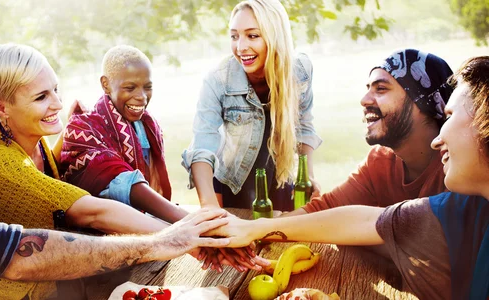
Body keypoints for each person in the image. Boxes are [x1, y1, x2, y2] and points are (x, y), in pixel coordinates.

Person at [0, 33, 234, 300]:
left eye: (55, 90)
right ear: (1, 107)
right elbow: (90, 212)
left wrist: (187, 229)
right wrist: (173, 236)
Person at [209, 56, 489, 300]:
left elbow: (374, 224)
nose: (439, 140)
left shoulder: (461, 197)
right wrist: (253, 230)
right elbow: (358, 218)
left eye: (381, 88)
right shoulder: (454, 207)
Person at [182, 0, 322, 211]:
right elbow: (202, 146)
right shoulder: (218, 80)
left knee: (284, 241)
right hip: (233, 185)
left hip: (281, 178)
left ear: (275, 37)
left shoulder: (300, 71)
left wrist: (308, 176)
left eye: (253, 35)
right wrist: (209, 208)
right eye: (234, 36)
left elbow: (304, 127)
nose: (241, 47)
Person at [285, 49, 453, 216]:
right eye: (368, 89)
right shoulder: (381, 162)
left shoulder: (457, 167)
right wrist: (265, 227)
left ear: (422, 101)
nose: (364, 100)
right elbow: (326, 209)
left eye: (380, 89)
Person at [59, 45, 188, 225]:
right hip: (101, 232)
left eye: (147, 87)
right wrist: (183, 218)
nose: (142, 97)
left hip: (145, 219)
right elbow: (118, 180)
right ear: (106, 84)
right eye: (130, 87)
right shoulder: (84, 128)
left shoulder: (147, 125)